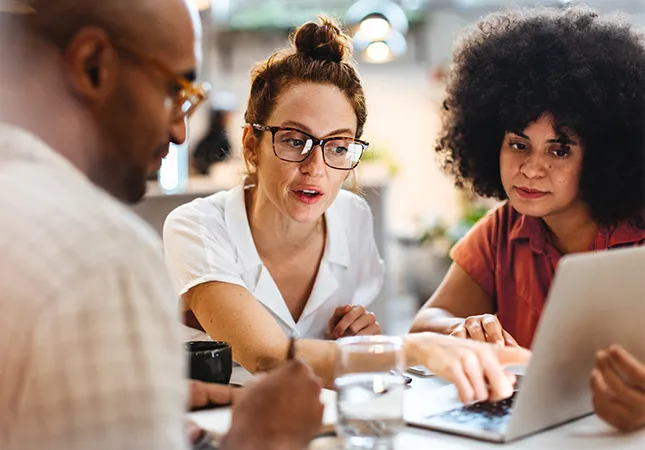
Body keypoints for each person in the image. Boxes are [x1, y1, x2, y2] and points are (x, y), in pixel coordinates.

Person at [0, 0, 323, 449]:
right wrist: (256, 438)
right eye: (176, 92)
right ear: (93, 66)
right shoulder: (105, 259)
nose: (180, 132)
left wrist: (145, 406)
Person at [163, 15, 529, 402]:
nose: (315, 167)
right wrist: (409, 349)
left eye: (338, 146)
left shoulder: (352, 219)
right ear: (251, 143)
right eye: (293, 140)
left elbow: (337, 365)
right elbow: (264, 355)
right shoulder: (197, 227)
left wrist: (358, 342)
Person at [408, 6, 645, 431]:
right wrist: (463, 329)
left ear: (604, 156)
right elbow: (424, 325)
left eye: (559, 150)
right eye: (519, 144)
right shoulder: (503, 229)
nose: (532, 169)